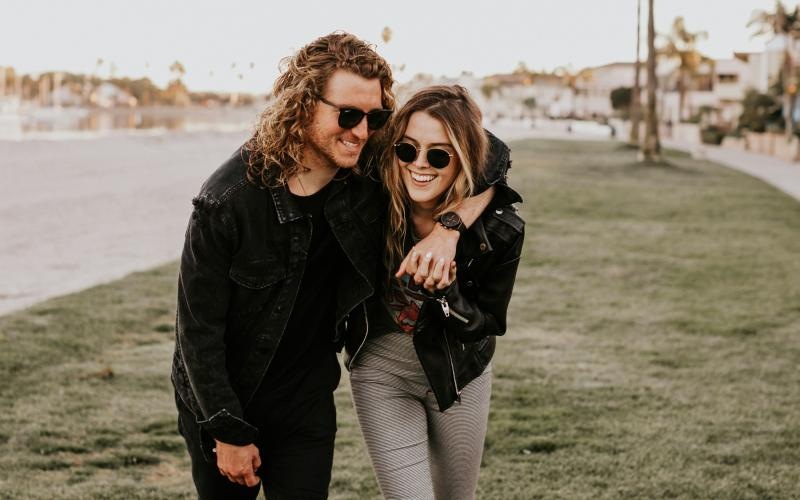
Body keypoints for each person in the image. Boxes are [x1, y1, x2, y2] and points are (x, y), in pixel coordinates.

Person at [171, 33, 507, 499]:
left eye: (376, 117)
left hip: (306, 402)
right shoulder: (228, 201)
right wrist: (226, 430)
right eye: (347, 115)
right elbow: (197, 330)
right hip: (226, 399)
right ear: (302, 104)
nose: (362, 131)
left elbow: (490, 158)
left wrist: (449, 229)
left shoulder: (364, 168)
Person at [345, 85, 525, 500]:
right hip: (380, 373)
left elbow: (487, 324)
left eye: (439, 155)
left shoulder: (500, 230)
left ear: (462, 161)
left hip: (461, 376)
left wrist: (446, 290)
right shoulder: (373, 195)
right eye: (407, 150)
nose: (419, 165)